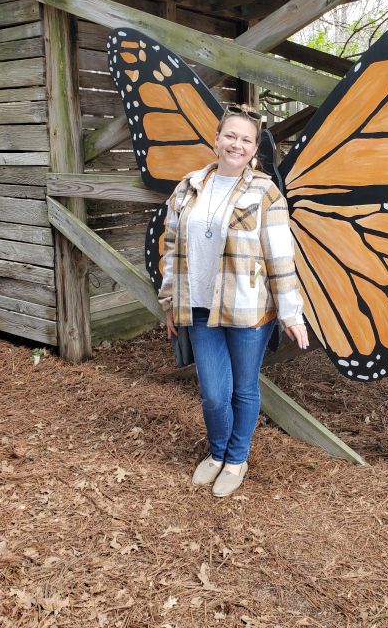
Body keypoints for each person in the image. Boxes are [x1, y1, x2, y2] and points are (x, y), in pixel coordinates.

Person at [159, 104, 308, 497]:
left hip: (249, 311)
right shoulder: (188, 186)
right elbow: (171, 246)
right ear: (217, 139)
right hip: (199, 307)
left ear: (255, 147)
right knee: (212, 392)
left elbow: (279, 255)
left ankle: (236, 459)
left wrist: (291, 313)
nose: (235, 144)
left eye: (245, 139)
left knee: (243, 388)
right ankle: (217, 452)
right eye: (230, 136)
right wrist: (171, 301)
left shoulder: (265, 192)